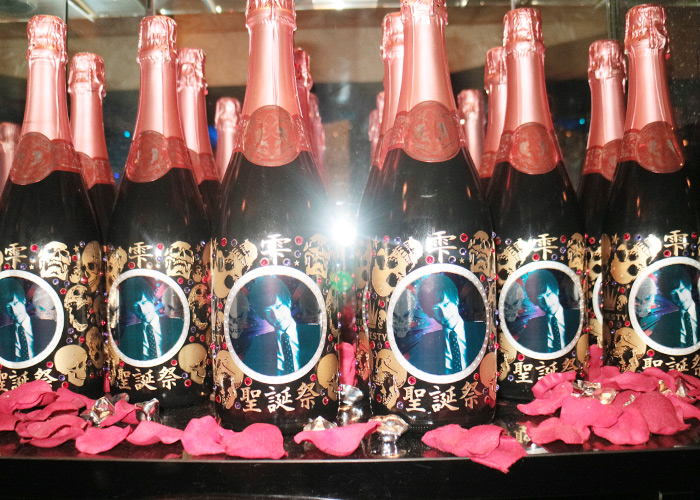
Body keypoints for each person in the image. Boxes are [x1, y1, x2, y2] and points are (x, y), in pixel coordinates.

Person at [243, 277, 319, 376]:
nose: (276, 316)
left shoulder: (315, 334)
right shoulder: (258, 344)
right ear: (263, 316)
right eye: (268, 311)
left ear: (288, 302)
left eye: (278, 306)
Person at [411, 274, 484, 375]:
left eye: (446, 304)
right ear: (430, 313)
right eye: (436, 309)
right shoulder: (426, 343)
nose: (444, 314)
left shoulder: (482, 331)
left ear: (456, 299)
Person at [116, 277, 183, 361]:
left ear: (152, 298)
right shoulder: (129, 333)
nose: (142, 310)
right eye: (136, 306)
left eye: (144, 302)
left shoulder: (178, 325)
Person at [520, 269, 579, 353]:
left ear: (556, 290)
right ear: (535, 301)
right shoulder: (533, 325)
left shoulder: (577, 317)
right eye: (540, 298)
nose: (547, 302)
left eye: (548, 294)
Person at [0, 278, 55, 362]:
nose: (14, 311)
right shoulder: (2, 334)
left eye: (15, 303)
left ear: (23, 300)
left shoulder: (49, 326)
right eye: (8, 307)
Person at [652, 266, 699, 348]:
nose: (680, 298)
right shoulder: (665, 321)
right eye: (673, 294)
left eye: (681, 290)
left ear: (689, 286)